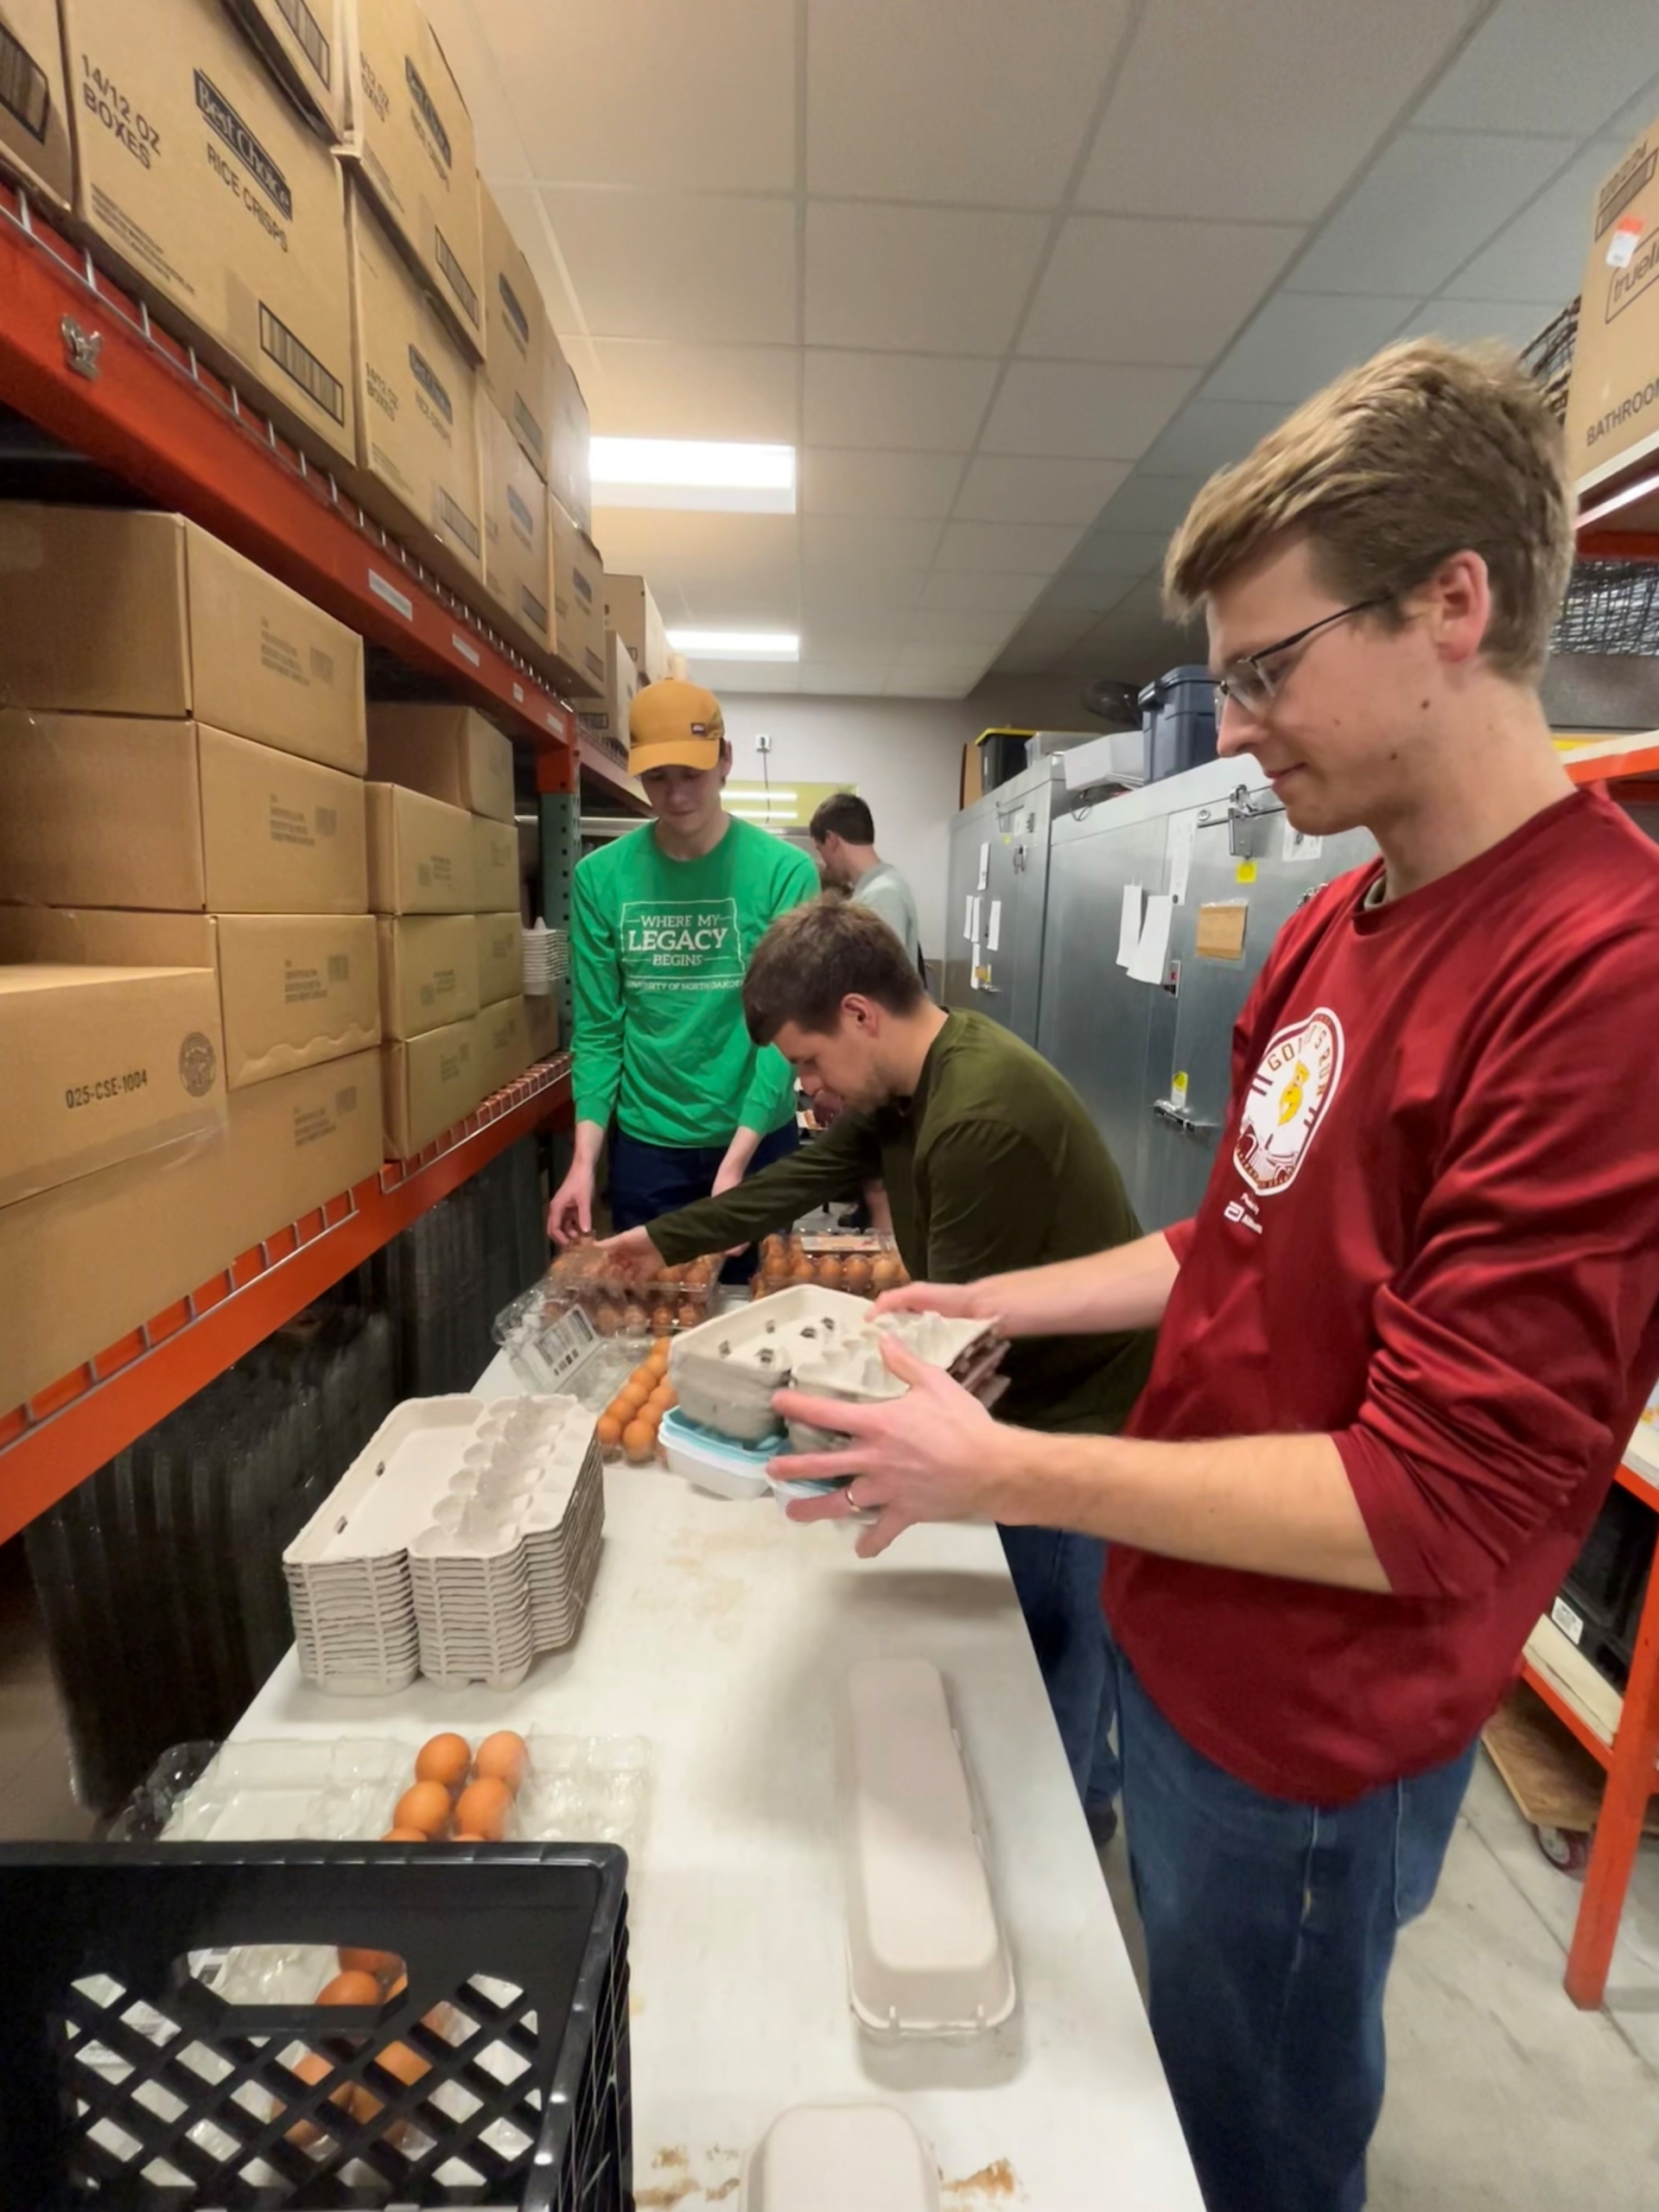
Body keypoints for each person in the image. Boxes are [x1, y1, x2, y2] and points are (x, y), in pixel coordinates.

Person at [772, 340, 1659, 2212]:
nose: (1235, 730)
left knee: (1249, 2146)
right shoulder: (1340, 918)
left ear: (1452, 605)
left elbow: (1432, 1498)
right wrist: (988, 1303)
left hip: (1313, 1728)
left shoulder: (1604, 977)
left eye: (1269, 668)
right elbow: (1234, 1241)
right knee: (1163, 2084)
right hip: (1180, 1640)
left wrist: (1003, 1470)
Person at [599, 897, 1154, 1821]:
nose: (807, 1087)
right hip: (1027, 1389)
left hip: (1071, 1414)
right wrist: (659, 1240)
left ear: (859, 1014)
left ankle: (1065, 1827)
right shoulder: (913, 1084)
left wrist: (838, 1446)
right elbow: (798, 1179)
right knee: (1062, 1646)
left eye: (808, 1061)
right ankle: (1086, 1786)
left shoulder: (976, 1116)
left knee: (1050, 1648)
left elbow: (953, 1343)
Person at [548, 680, 819, 1249]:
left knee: (759, 1298)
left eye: (691, 774)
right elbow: (599, 1032)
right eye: (657, 777)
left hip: (755, 1137)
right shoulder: (600, 879)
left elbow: (785, 1033)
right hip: (649, 1147)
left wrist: (736, 1162)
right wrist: (583, 1163)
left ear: (725, 760)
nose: (675, 796)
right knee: (651, 1302)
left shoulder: (784, 874)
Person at [810, 791, 924, 971]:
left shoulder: (881, 896)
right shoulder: (880, 886)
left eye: (820, 849)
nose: (824, 862)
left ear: (831, 840)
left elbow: (881, 978)